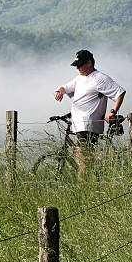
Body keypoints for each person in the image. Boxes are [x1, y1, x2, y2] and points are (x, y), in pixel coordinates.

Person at [54, 49, 126, 177]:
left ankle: (84, 183)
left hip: (88, 124)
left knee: (84, 157)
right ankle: (88, 180)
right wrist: (59, 91)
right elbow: (65, 87)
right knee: (84, 156)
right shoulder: (80, 78)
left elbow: (119, 92)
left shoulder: (100, 78)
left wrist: (112, 111)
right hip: (79, 123)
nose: (77, 68)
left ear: (89, 63)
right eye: (76, 65)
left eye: (79, 65)